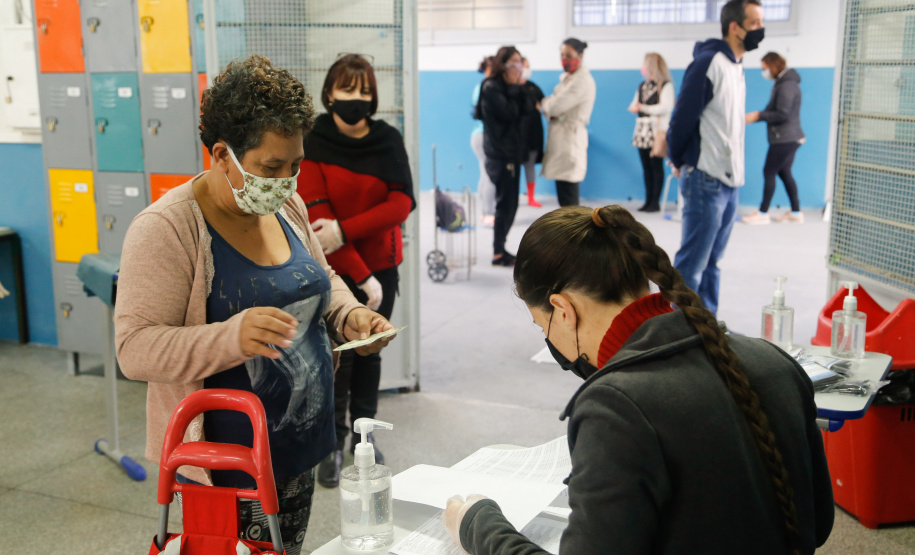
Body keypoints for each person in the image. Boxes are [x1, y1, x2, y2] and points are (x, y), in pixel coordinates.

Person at [115, 55, 395, 555]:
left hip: (297, 445)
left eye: (295, 165)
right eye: (272, 167)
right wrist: (229, 337)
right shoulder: (167, 229)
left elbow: (319, 278)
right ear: (222, 155)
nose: (287, 179)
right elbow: (134, 349)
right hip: (229, 466)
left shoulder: (285, 203)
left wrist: (347, 314)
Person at [441, 205, 834, 555]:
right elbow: (817, 524)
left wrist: (478, 526)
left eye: (541, 324)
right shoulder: (774, 361)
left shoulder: (616, 408)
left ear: (562, 309)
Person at [297, 53, 415, 489]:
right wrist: (359, 277)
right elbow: (318, 224)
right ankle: (332, 442)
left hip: (384, 267)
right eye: (348, 89)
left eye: (365, 91)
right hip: (338, 272)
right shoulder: (312, 137)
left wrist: (347, 229)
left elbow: (402, 203)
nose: (357, 99)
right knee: (338, 361)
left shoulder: (387, 138)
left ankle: (364, 437)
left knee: (371, 355)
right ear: (329, 93)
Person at [667, 0, 765, 316]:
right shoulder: (709, 62)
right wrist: (679, 159)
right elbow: (682, 119)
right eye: (755, 23)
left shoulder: (736, 65)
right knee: (691, 266)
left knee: (712, 263)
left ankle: (708, 329)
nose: (760, 30)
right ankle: (674, 335)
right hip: (705, 179)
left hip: (729, 183)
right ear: (734, 27)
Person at [476, 45, 530, 266]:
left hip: (511, 153)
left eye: (520, 60)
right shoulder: (492, 87)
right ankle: (498, 252)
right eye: (514, 61)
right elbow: (509, 113)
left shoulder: (508, 87)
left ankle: (500, 248)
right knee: (505, 204)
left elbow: (527, 110)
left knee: (511, 204)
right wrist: (517, 87)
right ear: (504, 64)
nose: (519, 65)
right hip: (500, 154)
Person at [743, 51, 805, 225]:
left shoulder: (787, 85)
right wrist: (758, 116)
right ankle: (796, 211)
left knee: (768, 171)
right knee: (784, 172)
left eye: (765, 68)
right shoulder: (783, 83)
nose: (765, 72)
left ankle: (763, 213)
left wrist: (758, 116)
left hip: (785, 138)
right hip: (789, 137)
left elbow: (782, 113)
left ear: (773, 65)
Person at [540, 38, 597, 207]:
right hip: (562, 141)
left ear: (580, 56)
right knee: (564, 197)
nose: (565, 59)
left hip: (570, 141)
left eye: (569, 55)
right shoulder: (569, 79)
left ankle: (573, 233)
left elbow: (554, 106)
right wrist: (548, 104)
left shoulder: (581, 81)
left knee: (569, 201)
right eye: (562, 55)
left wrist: (545, 104)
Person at [628, 52, 675, 212]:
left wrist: (643, 108)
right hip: (642, 131)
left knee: (656, 166)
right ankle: (648, 200)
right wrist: (637, 107)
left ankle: (655, 201)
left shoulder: (665, 85)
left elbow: (666, 107)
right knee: (646, 167)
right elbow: (635, 103)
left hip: (656, 132)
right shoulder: (642, 85)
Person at [471, 56, 497, 227]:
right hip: (484, 136)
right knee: (490, 176)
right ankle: (489, 213)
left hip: (478, 136)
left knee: (484, 174)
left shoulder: (481, 86)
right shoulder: (488, 87)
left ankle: (484, 212)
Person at [519, 57, 545, 208]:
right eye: (525, 66)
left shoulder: (533, 87)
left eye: (529, 66)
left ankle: (531, 197)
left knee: (530, 165)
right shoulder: (512, 88)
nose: (527, 70)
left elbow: (544, 103)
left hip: (534, 133)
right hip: (517, 136)